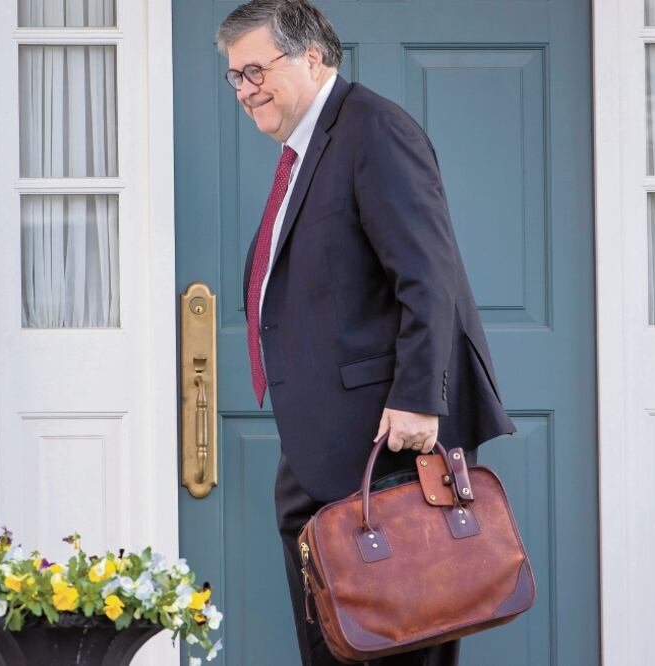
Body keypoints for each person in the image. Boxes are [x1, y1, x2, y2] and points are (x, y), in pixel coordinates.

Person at [215, 1, 519, 665]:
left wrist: (419, 395)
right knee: (339, 643)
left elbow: (427, 273)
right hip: (324, 444)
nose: (244, 90)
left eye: (255, 70)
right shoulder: (309, 150)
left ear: (312, 58)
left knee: (400, 638)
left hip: (388, 440)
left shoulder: (372, 130)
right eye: (234, 77)